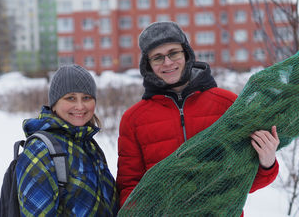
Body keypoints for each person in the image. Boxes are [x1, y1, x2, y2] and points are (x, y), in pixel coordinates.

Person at [116, 21, 280, 214]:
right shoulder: (133, 119)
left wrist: (267, 162)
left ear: (186, 53)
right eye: (157, 57)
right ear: (148, 65)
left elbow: (245, 182)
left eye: (173, 53)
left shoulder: (228, 104)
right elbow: (129, 187)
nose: (167, 62)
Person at [16, 64, 118, 216]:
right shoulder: (41, 149)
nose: (80, 106)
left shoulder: (88, 145)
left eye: (86, 98)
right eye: (70, 98)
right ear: (54, 105)